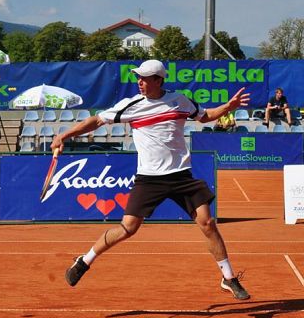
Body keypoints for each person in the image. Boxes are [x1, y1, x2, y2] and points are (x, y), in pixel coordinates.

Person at [51, 59, 251, 300]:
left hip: (180, 176)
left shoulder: (180, 100)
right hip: (149, 179)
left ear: (159, 80)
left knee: (207, 223)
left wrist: (228, 106)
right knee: (128, 228)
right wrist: (65, 135)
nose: (140, 82)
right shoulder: (131, 105)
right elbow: (96, 121)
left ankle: (228, 278)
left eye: (144, 78)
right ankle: (84, 261)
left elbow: (205, 116)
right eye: (138, 78)